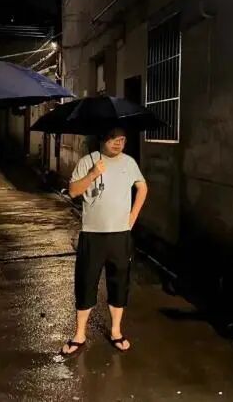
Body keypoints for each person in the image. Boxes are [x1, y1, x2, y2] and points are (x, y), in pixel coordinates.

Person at [61, 127, 148, 355]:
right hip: (92, 234)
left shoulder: (129, 163)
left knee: (119, 282)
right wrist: (92, 174)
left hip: (120, 235)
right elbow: (73, 191)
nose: (118, 143)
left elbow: (142, 187)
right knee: (86, 282)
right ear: (102, 139)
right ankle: (79, 334)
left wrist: (132, 218)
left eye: (122, 140)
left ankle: (116, 331)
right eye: (113, 139)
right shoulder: (88, 161)